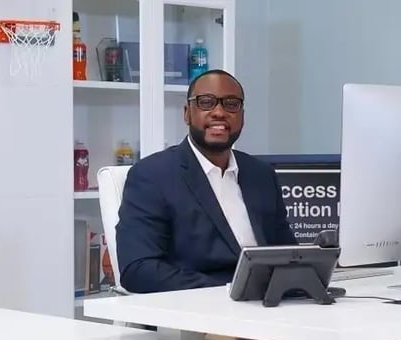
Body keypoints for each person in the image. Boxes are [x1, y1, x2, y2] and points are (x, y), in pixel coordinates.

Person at [116, 69, 296, 294]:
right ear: (187, 113)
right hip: (199, 311)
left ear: (242, 115)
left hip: (270, 306)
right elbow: (138, 269)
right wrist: (233, 290)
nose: (219, 112)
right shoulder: (152, 175)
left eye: (231, 104)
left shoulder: (261, 175)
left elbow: (287, 252)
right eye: (206, 102)